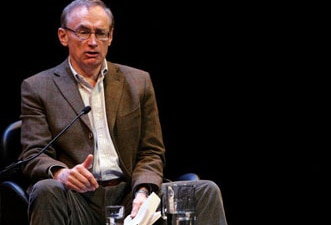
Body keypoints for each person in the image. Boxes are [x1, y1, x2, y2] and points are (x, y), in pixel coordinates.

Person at [18, 0, 228, 225]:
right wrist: (62, 174)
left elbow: (151, 151)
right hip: (77, 197)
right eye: (83, 32)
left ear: (111, 37)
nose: (92, 42)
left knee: (205, 191)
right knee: (46, 190)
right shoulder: (38, 86)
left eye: (101, 33)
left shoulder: (138, 82)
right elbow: (33, 155)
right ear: (63, 36)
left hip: (130, 193)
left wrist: (144, 192)